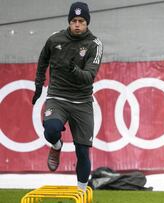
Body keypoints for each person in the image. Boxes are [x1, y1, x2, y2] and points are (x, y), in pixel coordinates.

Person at [32, 2, 103, 192]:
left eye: (81, 21)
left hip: (82, 101)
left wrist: (72, 69)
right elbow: (42, 60)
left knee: (82, 151)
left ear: (87, 23)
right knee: (51, 129)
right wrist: (39, 85)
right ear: (69, 22)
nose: (77, 24)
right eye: (74, 21)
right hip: (58, 96)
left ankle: (81, 192)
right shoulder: (55, 39)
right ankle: (57, 145)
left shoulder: (94, 44)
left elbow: (88, 77)